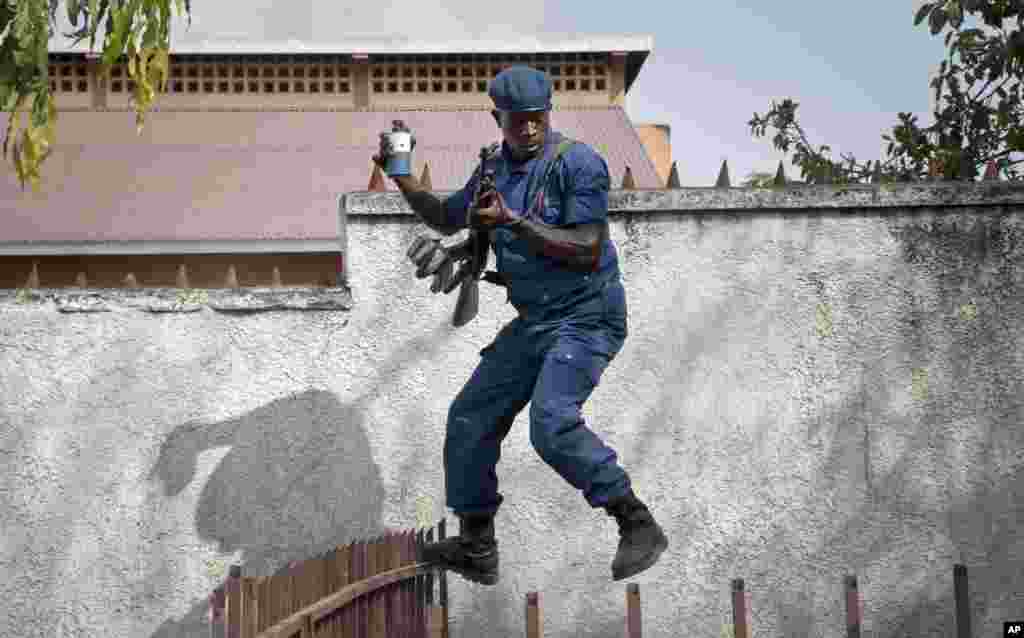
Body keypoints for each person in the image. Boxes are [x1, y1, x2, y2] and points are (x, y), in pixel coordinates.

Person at [372, 65, 667, 585]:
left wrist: (511, 221)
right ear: (498, 119)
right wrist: (400, 172)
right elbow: (446, 216)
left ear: (547, 114)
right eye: (517, 122)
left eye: (537, 119)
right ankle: (478, 546)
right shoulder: (492, 169)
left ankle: (637, 523)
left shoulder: (577, 163)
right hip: (536, 323)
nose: (528, 130)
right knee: (469, 416)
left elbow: (586, 247)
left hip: (588, 315)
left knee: (551, 425)